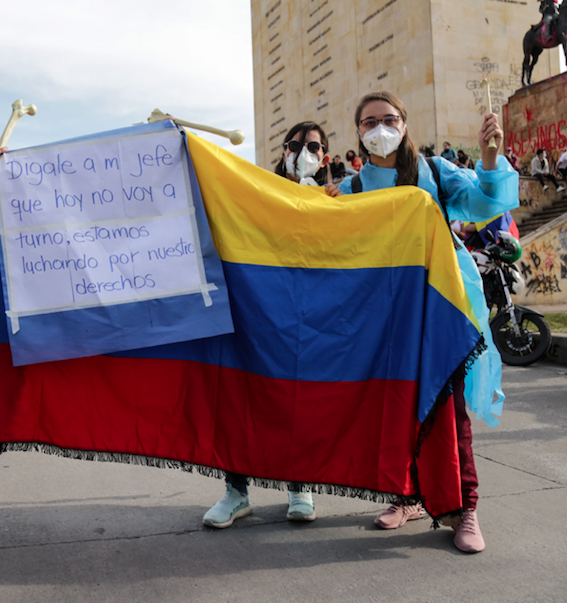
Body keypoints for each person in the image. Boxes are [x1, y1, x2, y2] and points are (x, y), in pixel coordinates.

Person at [325, 91, 519, 554]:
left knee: (448, 409)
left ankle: (464, 507)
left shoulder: (434, 172)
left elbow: (485, 203)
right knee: (392, 407)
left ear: (405, 124)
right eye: (369, 122)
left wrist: (490, 159)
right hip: (384, 315)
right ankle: (407, 496)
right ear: (357, 132)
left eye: (388, 119)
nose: (379, 128)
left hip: (440, 308)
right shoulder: (350, 190)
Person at [203, 121, 331, 531]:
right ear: (282, 153)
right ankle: (236, 492)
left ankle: (300, 486)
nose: (303, 151)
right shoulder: (258, 193)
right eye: (295, 145)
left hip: (310, 319)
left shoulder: (341, 199)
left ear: (325, 156)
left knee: (301, 401)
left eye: (313, 146)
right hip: (258, 312)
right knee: (243, 397)